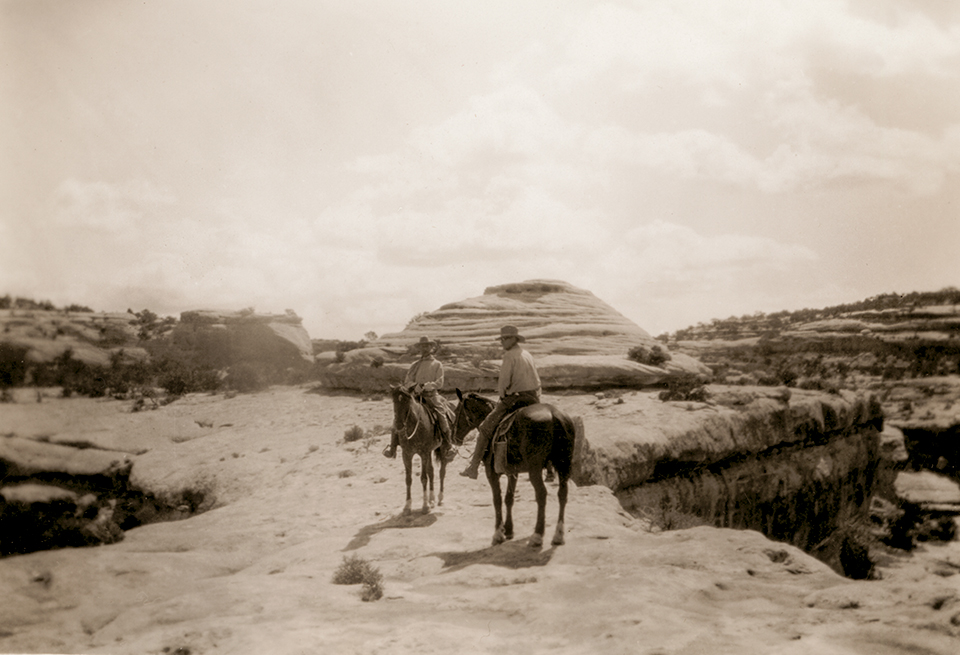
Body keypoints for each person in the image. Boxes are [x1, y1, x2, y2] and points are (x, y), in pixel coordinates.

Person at [460, 325, 541, 479]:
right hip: (533, 398)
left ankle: (473, 467)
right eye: (502, 339)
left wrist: (502, 396)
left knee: (485, 428)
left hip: (515, 398)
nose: (502, 342)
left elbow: (503, 382)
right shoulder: (527, 354)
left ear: (514, 339)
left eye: (506, 338)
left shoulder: (509, 356)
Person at [383, 336, 453, 459]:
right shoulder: (415, 365)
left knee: (442, 416)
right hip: (415, 397)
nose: (424, 348)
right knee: (398, 416)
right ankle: (392, 446)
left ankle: (448, 446)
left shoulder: (437, 364)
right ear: (419, 348)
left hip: (432, 396)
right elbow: (407, 381)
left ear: (432, 348)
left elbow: (440, 382)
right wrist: (415, 386)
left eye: (427, 346)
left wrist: (426, 386)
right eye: (422, 346)